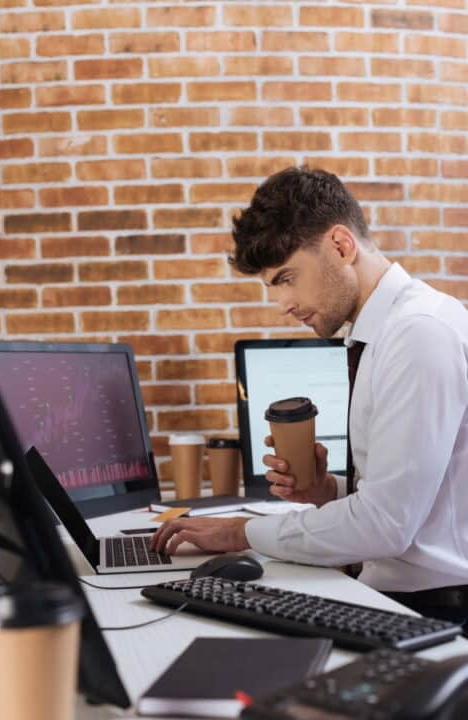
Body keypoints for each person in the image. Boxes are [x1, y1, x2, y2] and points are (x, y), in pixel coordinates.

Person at [151, 167, 468, 629]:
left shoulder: (419, 334)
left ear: (341, 245)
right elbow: (423, 500)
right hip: (403, 599)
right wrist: (327, 492)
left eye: (287, 278)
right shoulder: (381, 335)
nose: (284, 303)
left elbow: (387, 526)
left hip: (435, 614)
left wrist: (241, 532)